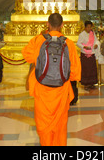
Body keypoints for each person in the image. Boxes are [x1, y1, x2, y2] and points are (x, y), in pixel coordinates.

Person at [22, 13, 81, 146]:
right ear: (62, 25)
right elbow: (76, 73)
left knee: (44, 126)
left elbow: (26, 55)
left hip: (42, 89)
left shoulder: (38, 40)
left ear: (47, 24)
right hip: (61, 90)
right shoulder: (69, 43)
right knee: (60, 126)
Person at [76, 20, 101, 92]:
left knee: (92, 69)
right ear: (85, 27)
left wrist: (96, 44)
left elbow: (96, 40)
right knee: (86, 69)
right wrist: (84, 47)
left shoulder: (92, 33)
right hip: (85, 54)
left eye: (90, 27)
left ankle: (91, 83)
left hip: (92, 53)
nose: (89, 28)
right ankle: (86, 84)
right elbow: (78, 43)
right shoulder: (82, 34)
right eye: (88, 27)